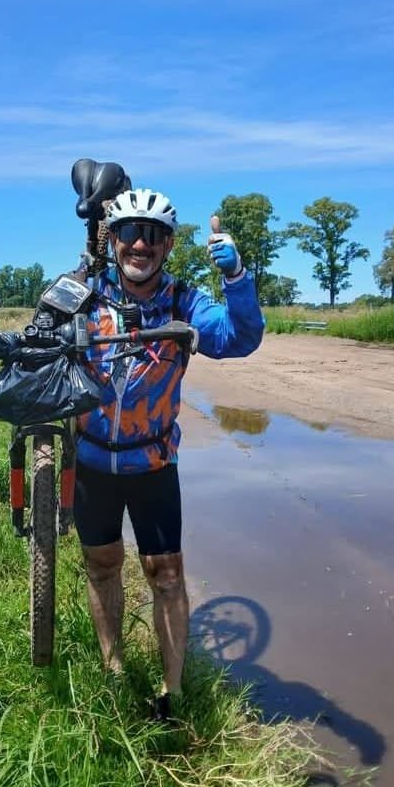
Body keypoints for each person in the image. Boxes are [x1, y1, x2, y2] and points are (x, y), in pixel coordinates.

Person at [73, 187, 264, 719]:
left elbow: (241, 338)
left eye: (154, 235)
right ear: (113, 239)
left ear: (169, 245)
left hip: (153, 463)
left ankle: (173, 694)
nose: (141, 244)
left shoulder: (183, 302)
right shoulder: (83, 295)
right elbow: (38, 340)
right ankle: (114, 675)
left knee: (168, 575)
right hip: (91, 462)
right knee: (101, 566)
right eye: (131, 232)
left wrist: (236, 277)